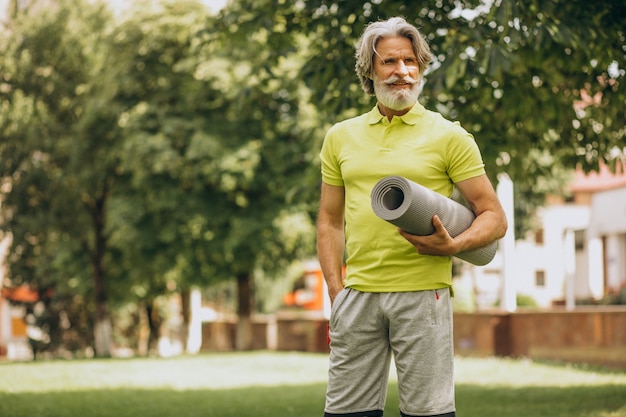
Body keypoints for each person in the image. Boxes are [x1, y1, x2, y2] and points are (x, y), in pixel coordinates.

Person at [316, 17, 508, 417]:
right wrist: (337, 293)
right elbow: (330, 221)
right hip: (358, 295)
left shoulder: (450, 136)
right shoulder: (340, 136)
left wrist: (455, 245)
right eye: (389, 62)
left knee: (428, 414)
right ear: (370, 70)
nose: (401, 72)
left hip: (424, 295)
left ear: (420, 67)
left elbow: (494, 216)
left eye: (410, 61)